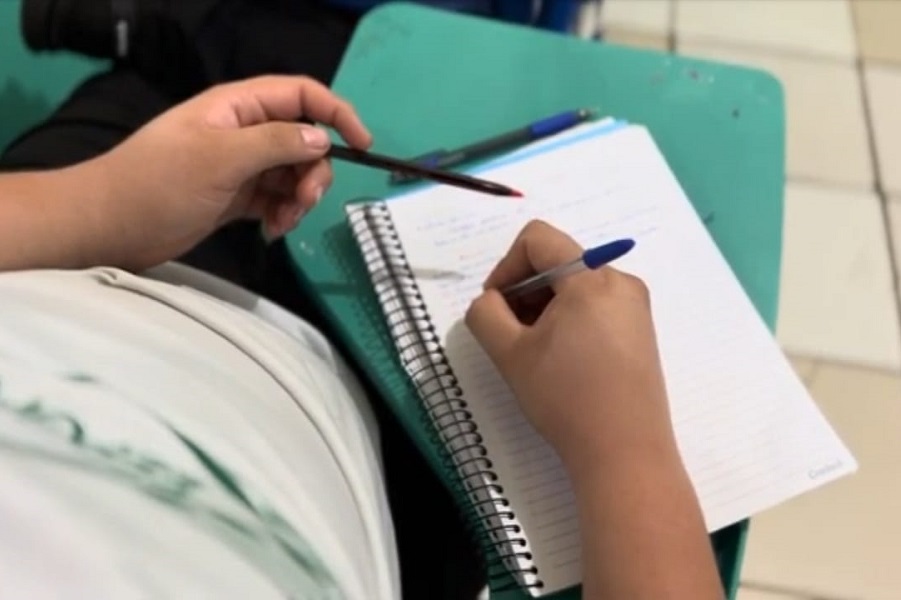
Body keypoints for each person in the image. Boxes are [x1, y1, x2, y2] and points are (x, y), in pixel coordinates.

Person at [0, 74, 723, 599]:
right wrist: (626, 451)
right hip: (348, 438)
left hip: (60, 250)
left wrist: (97, 204)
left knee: (165, 84)